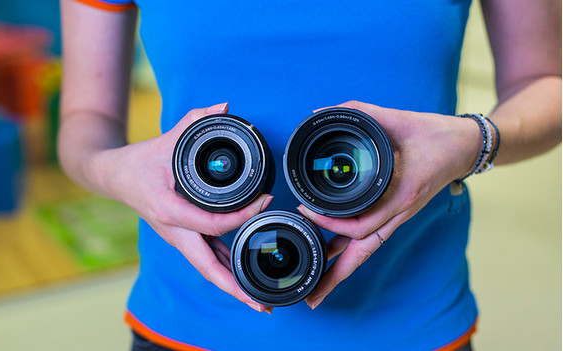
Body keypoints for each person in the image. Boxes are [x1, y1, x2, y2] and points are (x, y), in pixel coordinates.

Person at [59, 0, 561, 350]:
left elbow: (545, 83)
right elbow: (86, 123)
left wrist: (473, 142)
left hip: (413, 318)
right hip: (189, 323)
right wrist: (115, 171)